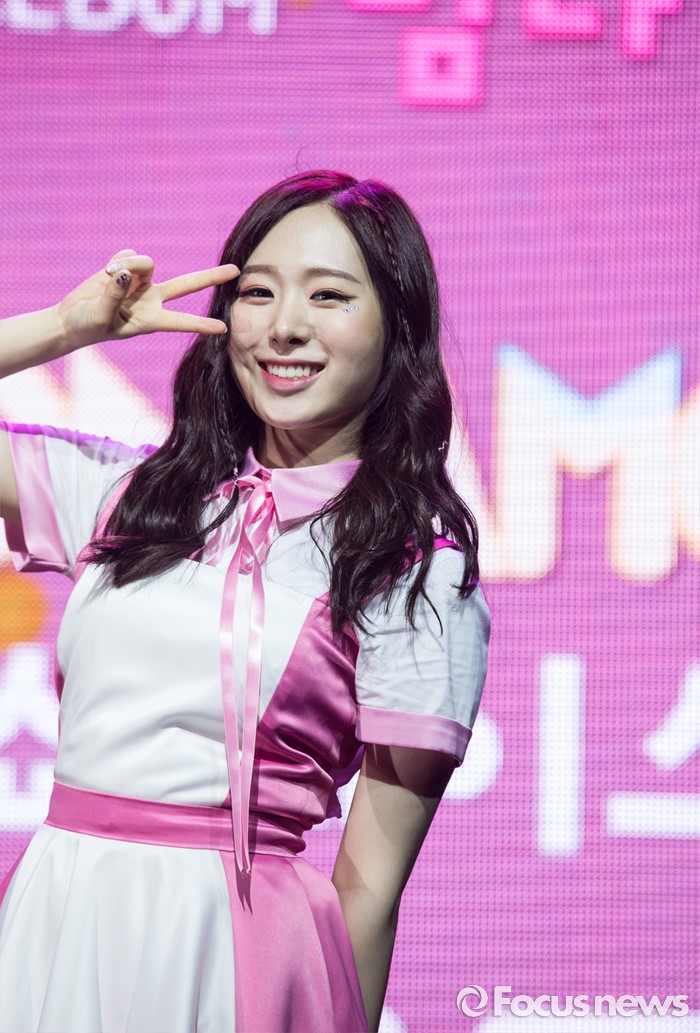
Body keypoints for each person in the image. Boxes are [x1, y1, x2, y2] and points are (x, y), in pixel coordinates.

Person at [0, 170, 490, 1033]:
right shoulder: (125, 494)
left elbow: (369, 890)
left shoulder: (413, 572)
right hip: (56, 912)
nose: (284, 326)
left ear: (397, 329)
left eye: (329, 295)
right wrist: (66, 328)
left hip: (233, 948)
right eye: (258, 292)